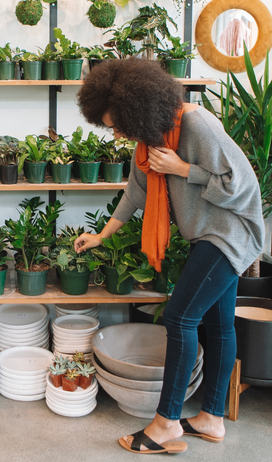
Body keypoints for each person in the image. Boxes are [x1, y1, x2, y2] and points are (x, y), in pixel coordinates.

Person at [74, 58, 264, 455]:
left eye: (117, 124)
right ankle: (211, 419)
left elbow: (244, 186)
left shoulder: (197, 126)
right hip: (206, 235)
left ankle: (166, 424)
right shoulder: (148, 138)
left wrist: (183, 169)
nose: (117, 132)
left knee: (179, 316)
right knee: (218, 324)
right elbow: (135, 192)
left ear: (136, 107)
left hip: (230, 234)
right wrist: (101, 236)